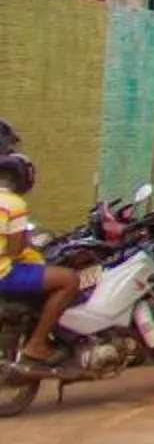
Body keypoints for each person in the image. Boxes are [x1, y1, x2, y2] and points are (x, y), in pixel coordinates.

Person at [0, 154, 84, 379]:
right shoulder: (14, 204)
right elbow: (15, 249)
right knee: (69, 280)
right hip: (4, 274)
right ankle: (36, 344)